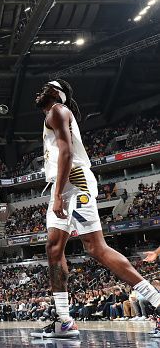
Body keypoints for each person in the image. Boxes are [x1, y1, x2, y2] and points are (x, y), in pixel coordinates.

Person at [32, 79, 160, 338]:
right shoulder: (53, 115)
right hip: (62, 184)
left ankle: (158, 303)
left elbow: (67, 154)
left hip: (74, 182)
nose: (44, 87)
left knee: (95, 248)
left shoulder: (58, 110)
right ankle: (65, 320)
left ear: (60, 95)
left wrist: (57, 196)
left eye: (51, 85)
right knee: (54, 249)